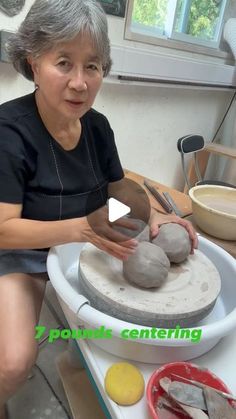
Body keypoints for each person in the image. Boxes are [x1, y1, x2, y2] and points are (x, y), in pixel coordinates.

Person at [0, 0, 198, 417]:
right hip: (25, 251)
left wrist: (155, 215)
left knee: (140, 320)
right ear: (33, 62)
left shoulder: (98, 126)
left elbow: (116, 190)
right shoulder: (9, 132)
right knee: (15, 361)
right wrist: (80, 231)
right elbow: (4, 230)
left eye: (92, 66)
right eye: (64, 63)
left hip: (85, 236)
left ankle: (80, 360)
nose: (79, 82)